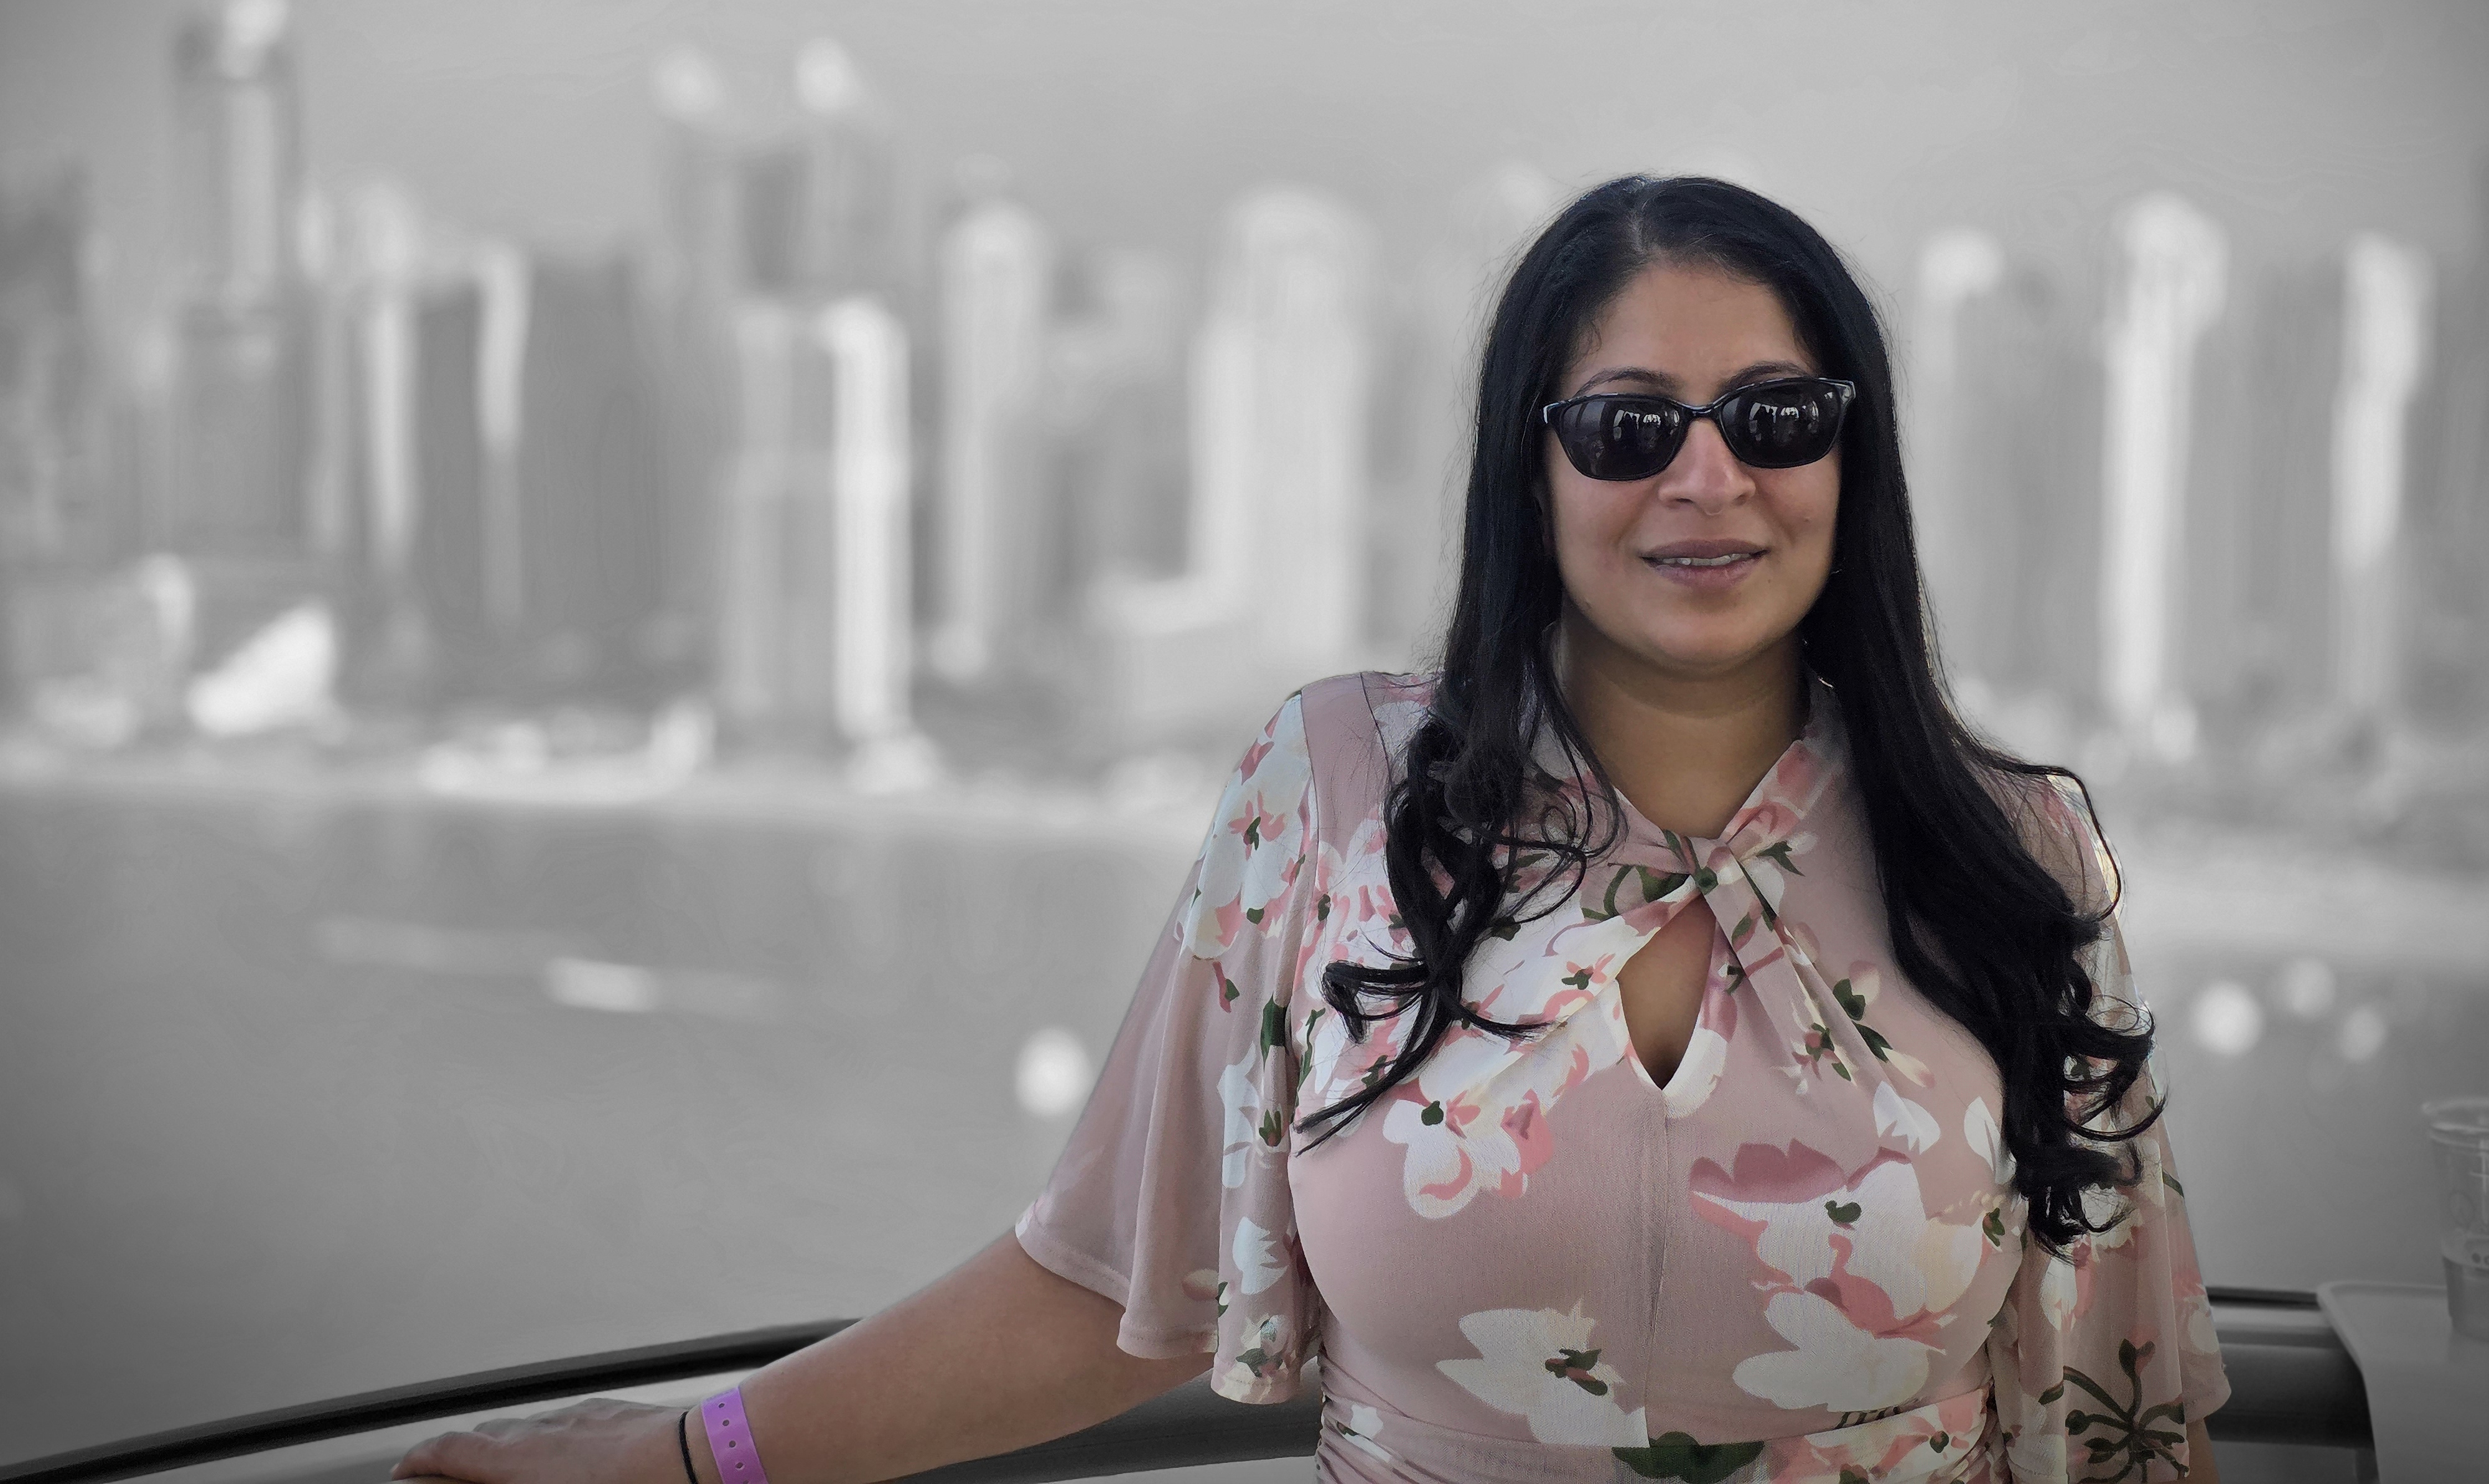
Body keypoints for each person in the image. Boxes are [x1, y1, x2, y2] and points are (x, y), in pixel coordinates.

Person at [396, 177, 2230, 1483]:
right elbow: (1108, 1281)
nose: (1708, 475)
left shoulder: (2017, 858)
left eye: (1776, 416)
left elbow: (2126, 1401)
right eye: (1626, 427)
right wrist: (685, 1458)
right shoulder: (1341, 787)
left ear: (1852, 457)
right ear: (1530, 469)